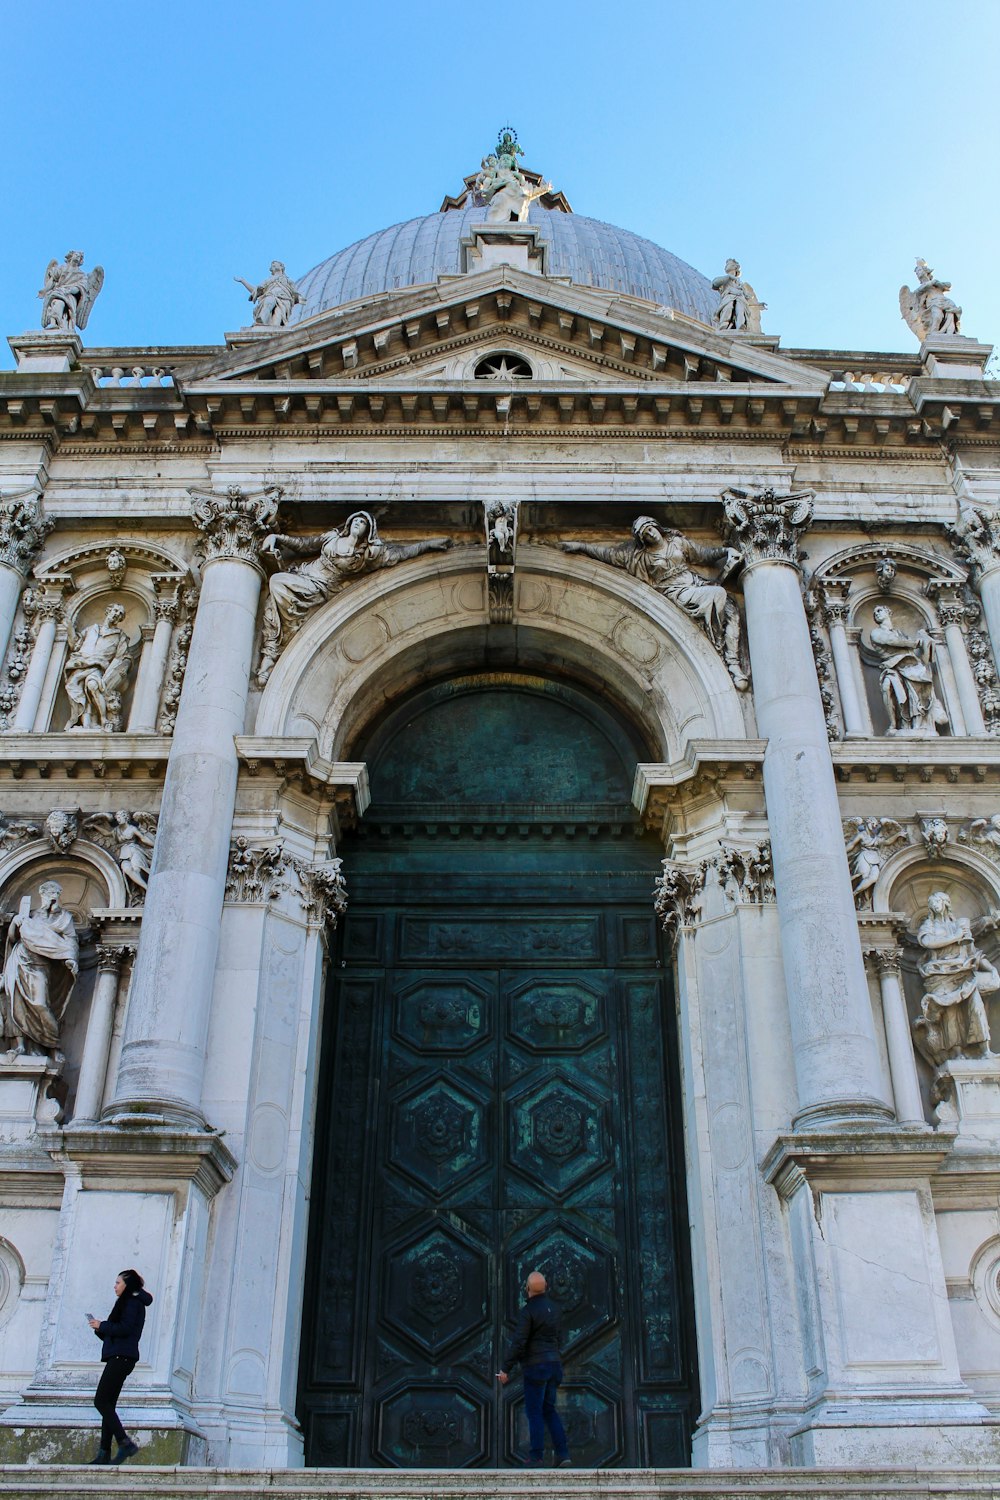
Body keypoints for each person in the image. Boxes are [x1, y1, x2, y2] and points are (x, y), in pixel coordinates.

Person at [496, 1270, 570, 1468]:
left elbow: (519, 1342)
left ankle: (536, 1456)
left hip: (536, 1367)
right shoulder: (555, 1309)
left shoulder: (528, 1312)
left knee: (535, 1412)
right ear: (546, 1287)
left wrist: (505, 1369)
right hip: (554, 1365)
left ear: (527, 1289)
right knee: (549, 1410)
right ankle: (563, 1454)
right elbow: (559, 1338)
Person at [0, 881, 78, 1057]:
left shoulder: (64, 918)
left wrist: (72, 959)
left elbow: (71, 940)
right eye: (49, 893)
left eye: (56, 893)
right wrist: (14, 923)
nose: (53, 896)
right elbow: (13, 939)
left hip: (40, 966)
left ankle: (53, 1046)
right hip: (20, 960)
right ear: (42, 894)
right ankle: (21, 1046)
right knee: (17, 1004)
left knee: (41, 1004)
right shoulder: (30, 915)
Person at [86, 1268, 153, 1465]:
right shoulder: (126, 1303)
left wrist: (103, 1325)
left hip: (121, 1358)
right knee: (108, 1404)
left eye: (118, 1283)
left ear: (127, 1284)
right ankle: (104, 1453)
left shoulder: (132, 1303)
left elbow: (125, 1329)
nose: (115, 1286)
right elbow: (118, 1332)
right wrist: (99, 1329)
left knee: (101, 1401)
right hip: (120, 1356)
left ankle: (124, 1443)